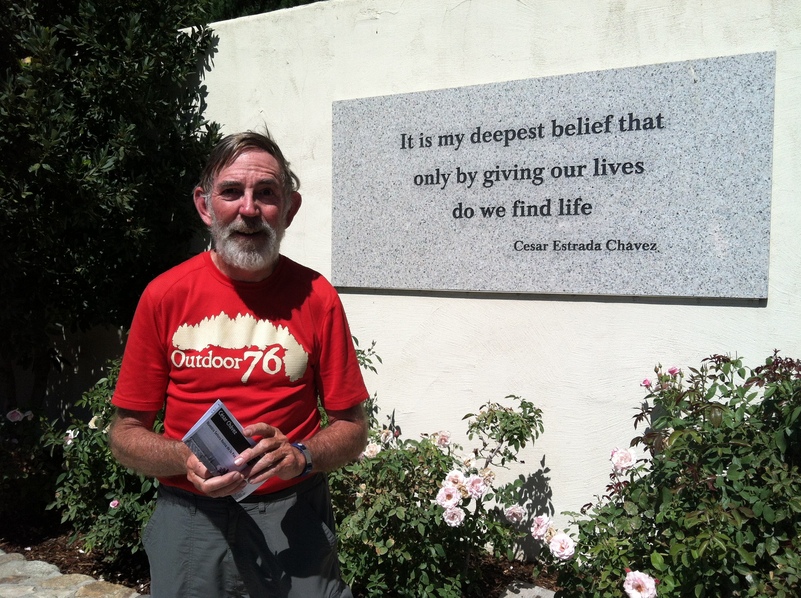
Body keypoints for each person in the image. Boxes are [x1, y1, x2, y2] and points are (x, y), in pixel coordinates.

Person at [108, 131, 368, 598]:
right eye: (231, 192)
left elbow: (352, 427)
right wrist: (183, 457)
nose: (249, 209)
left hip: (294, 516)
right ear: (205, 206)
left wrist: (300, 456)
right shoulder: (164, 295)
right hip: (191, 520)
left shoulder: (317, 297)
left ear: (289, 208)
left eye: (266, 193)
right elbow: (124, 437)